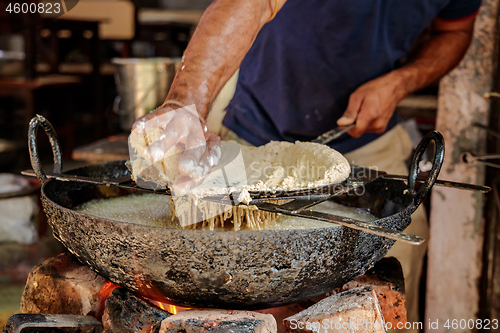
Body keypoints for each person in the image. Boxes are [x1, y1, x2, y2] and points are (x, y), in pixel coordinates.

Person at [133, 0, 481, 330]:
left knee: (392, 265)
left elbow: (455, 32)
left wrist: (400, 82)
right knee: (230, 280)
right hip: (252, 142)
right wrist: (185, 101)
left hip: (369, 143)